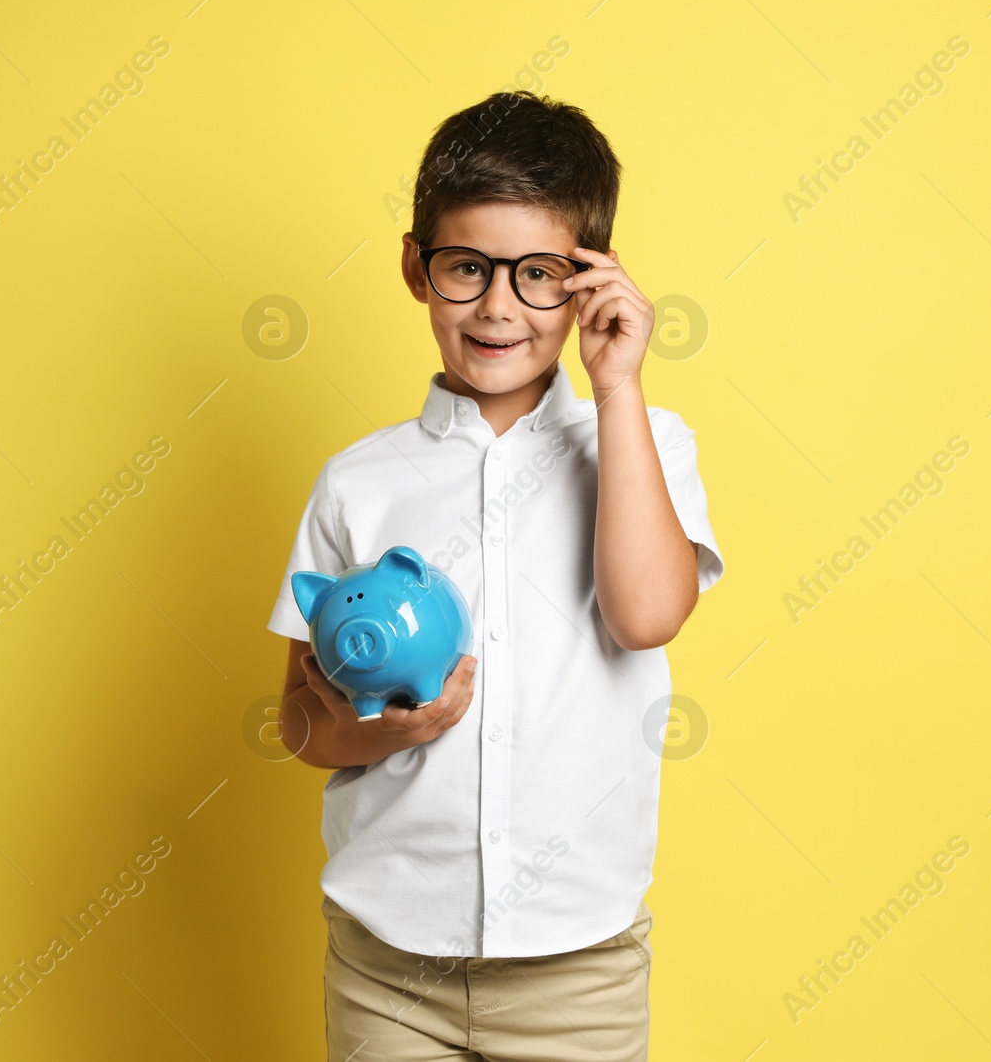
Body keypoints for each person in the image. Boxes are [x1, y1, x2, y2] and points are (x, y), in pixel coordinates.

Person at [265, 89, 725, 1062]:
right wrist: (390, 726)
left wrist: (620, 388)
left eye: (539, 273)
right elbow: (300, 723)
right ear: (415, 270)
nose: (498, 304)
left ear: (590, 279)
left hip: (578, 969)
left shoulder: (644, 442)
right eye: (466, 267)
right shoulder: (358, 482)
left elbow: (646, 615)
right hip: (387, 965)